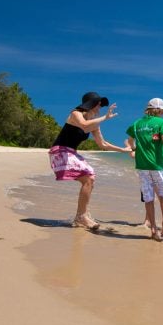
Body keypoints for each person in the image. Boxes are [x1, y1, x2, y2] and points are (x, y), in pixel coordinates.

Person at [49, 91, 130, 231]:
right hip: (60, 151)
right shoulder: (76, 114)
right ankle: (82, 216)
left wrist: (123, 150)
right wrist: (105, 117)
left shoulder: (95, 124)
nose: (99, 108)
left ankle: (81, 216)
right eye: (98, 105)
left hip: (71, 153)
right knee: (89, 177)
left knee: (90, 178)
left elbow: (103, 144)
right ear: (90, 105)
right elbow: (84, 125)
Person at [126, 98, 163, 241]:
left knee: (148, 198)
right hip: (157, 165)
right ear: (160, 111)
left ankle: (153, 229)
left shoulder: (137, 124)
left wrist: (136, 149)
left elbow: (130, 140)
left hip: (142, 166)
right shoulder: (161, 123)